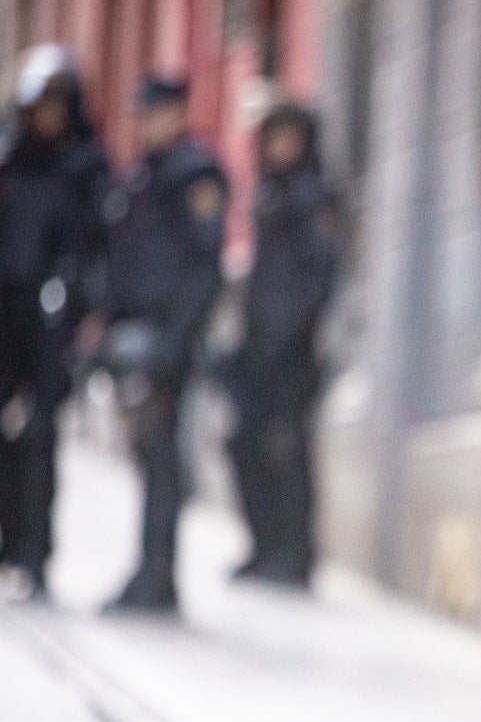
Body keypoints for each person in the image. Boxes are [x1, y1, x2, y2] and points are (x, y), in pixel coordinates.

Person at [100, 76, 228, 614]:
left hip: (168, 342)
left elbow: (204, 268)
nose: (149, 125)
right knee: (147, 458)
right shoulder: (143, 176)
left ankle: (157, 576)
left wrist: (178, 337)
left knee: (162, 461)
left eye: (157, 114)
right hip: (135, 338)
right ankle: (151, 572)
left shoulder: (195, 173)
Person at [0, 45, 111, 602]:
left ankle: (35, 555)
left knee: (41, 435)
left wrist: (83, 307)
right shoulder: (10, 160)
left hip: (53, 317)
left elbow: (99, 247)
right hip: (6, 314)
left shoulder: (87, 168)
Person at [225, 102, 338, 589]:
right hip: (257, 348)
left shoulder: (314, 197)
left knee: (287, 451)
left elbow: (319, 277)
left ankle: (294, 555)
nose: (280, 147)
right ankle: (263, 546)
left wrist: (290, 333)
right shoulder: (268, 192)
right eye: (274, 137)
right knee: (245, 445)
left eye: (289, 137)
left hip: (293, 351)